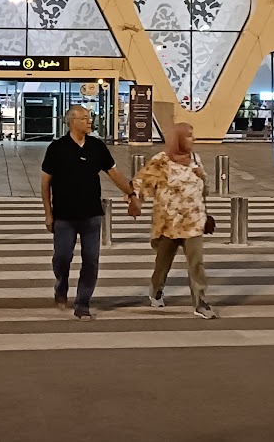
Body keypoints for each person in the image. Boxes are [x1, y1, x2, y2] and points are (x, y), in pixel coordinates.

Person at [41, 105, 139, 320]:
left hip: (92, 215)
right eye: (85, 118)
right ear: (72, 121)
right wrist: (48, 213)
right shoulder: (57, 148)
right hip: (64, 216)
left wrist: (132, 194)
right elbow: (45, 183)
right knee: (62, 257)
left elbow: (114, 174)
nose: (89, 121)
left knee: (91, 260)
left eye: (89, 117)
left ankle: (83, 303)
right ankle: (61, 285)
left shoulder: (97, 146)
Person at [132, 122, 217, 319]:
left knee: (197, 263)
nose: (192, 139)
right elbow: (141, 182)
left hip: (193, 222)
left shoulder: (195, 159)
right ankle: (156, 290)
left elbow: (204, 188)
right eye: (188, 136)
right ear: (177, 139)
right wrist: (136, 200)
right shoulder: (161, 161)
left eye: (192, 135)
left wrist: (204, 212)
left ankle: (200, 301)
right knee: (163, 262)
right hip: (168, 223)